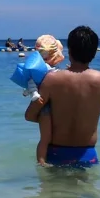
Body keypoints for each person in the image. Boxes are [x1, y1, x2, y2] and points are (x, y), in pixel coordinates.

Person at [25, 26, 100, 167]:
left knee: (53, 189)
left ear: (69, 51)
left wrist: (47, 118)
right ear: (94, 53)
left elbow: (29, 115)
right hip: (88, 155)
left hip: (55, 153)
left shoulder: (51, 79)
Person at [25, 35, 66, 165]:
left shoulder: (41, 69)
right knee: (45, 138)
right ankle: (41, 162)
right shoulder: (47, 70)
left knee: (46, 137)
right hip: (45, 106)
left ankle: (43, 160)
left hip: (45, 105)